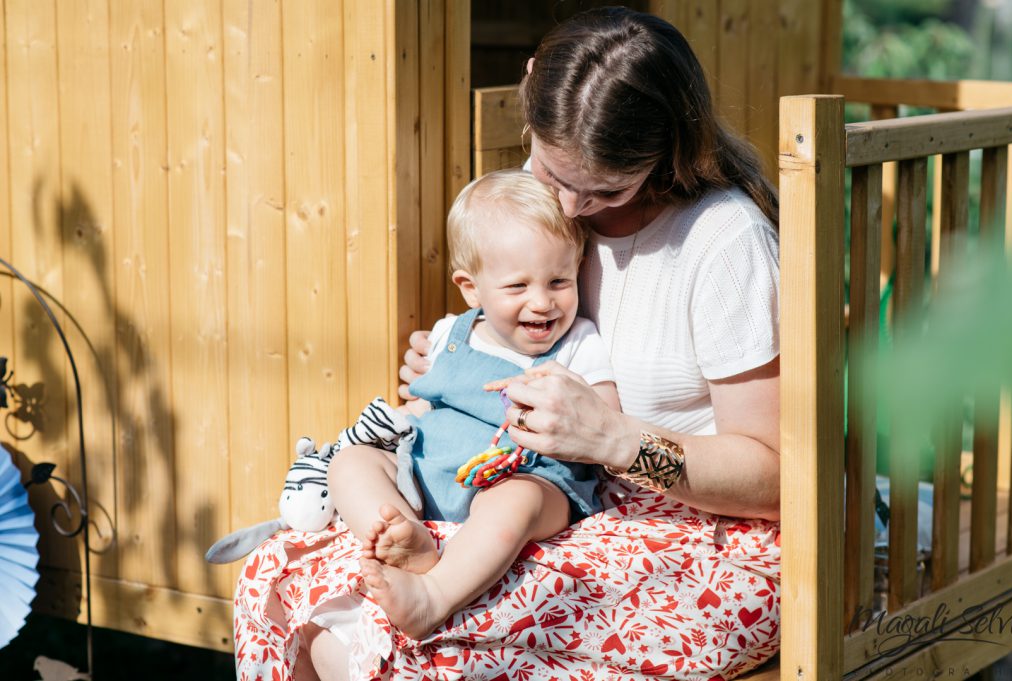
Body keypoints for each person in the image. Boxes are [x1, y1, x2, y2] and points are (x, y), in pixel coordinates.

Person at [235, 8, 782, 681]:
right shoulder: (539, 194)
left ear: (668, 149)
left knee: (405, 641)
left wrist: (616, 440)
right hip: (556, 500)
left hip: (696, 531)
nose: (575, 208)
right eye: (556, 175)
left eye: (607, 187)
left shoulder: (724, 243)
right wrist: (464, 356)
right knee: (283, 568)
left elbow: (779, 478)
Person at [329, 168, 619, 641]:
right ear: (470, 287)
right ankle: (403, 535)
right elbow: (424, 403)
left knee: (515, 501)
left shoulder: (578, 343)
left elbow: (603, 424)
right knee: (350, 462)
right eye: (518, 287)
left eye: (559, 281)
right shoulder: (451, 333)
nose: (542, 302)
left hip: (530, 477)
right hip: (430, 470)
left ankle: (434, 596)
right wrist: (392, 431)